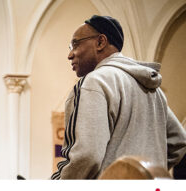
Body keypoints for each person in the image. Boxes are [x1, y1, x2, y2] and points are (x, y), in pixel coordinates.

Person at [52, 15, 186, 179]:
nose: (70, 54)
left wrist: (57, 190)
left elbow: (86, 155)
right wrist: (143, 173)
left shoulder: (95, 82)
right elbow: (179, 142)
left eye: (75, 44)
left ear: (101, 42)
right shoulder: (154, 91)